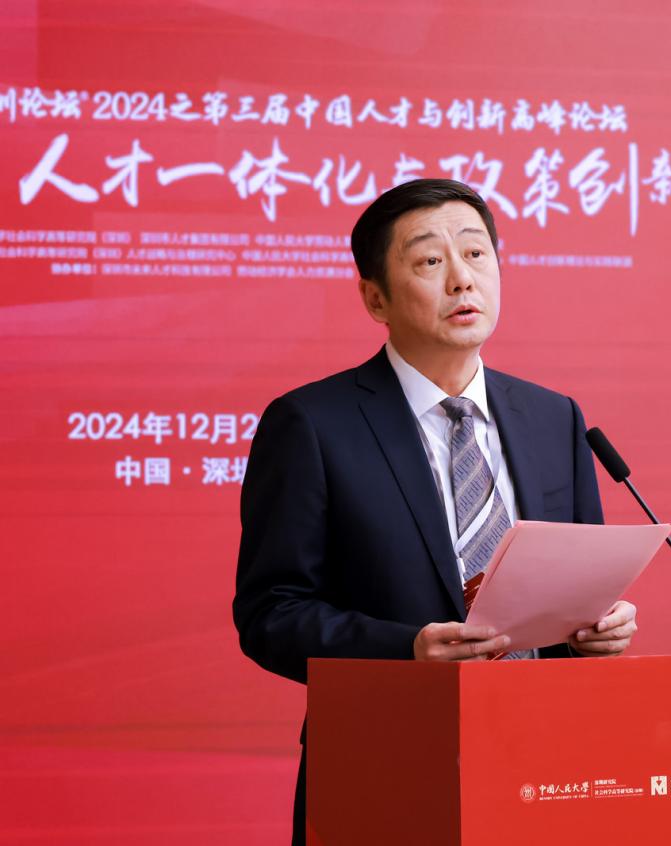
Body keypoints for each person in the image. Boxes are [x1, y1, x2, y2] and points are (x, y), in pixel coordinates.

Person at [232, 178, 637, 845]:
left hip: (543, 764)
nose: (461, 279)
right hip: (384, 771)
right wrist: (408, 649)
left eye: (476, 254)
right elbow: (271, 615)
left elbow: (577, 590)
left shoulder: (552, 417)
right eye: (428, 260)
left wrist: (596, 630)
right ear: (375, 298)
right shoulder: (312, 424)